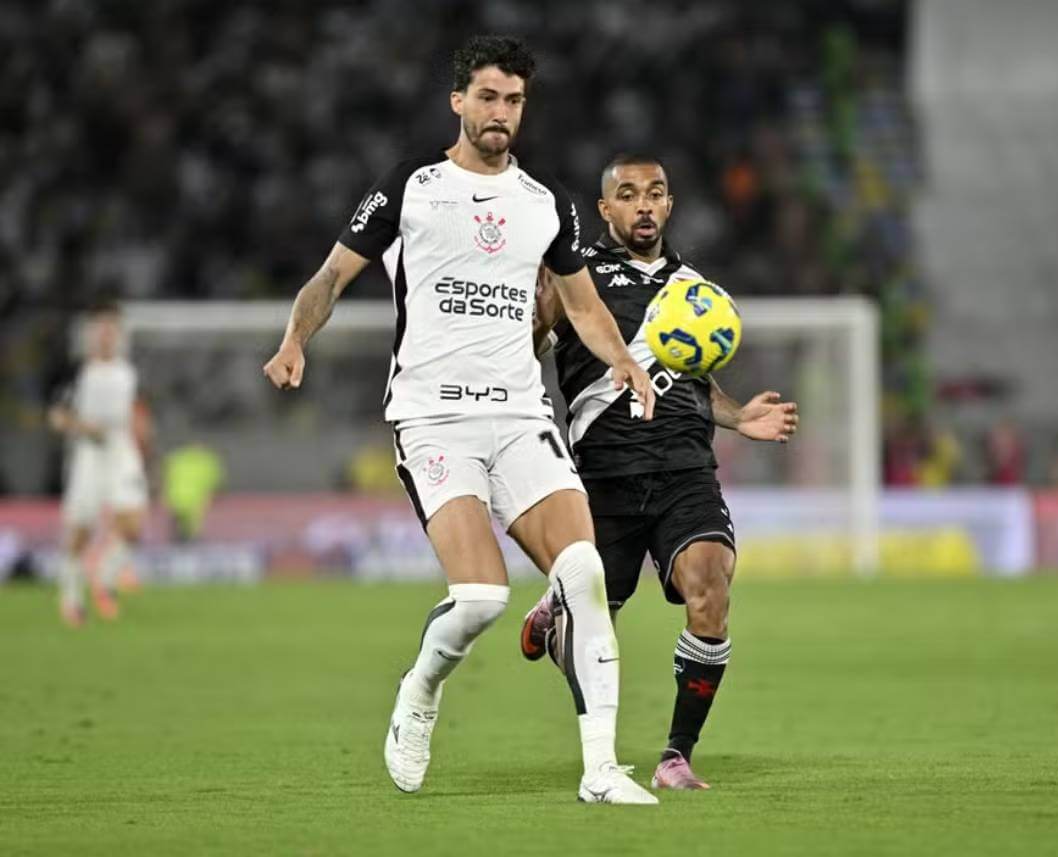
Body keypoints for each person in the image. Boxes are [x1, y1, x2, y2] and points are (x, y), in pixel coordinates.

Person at [262, 36, 658, 805]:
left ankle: (601, 769)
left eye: (513, 100)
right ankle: (419, 688)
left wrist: (625, 360)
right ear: (458, 101)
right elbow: (331, 275)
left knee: (583, 571)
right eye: (487, 97)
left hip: (519, 415)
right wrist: (294, 338)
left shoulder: (547, 204)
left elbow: (582, 306)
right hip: (433, 418)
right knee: (480, 598)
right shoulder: (411, 185)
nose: (500, 112)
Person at [519, 154, 798, 790]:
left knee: (711, 587)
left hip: (684, 471)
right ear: (605, 208)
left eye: (655, 193)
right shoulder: (572, 275)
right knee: (588, 633)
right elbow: (524, 349)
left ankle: (676, 755)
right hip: (604, 478)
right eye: (627, 194)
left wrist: (738, 417)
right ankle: (560, 613)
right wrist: (535, 314)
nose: (643, 204)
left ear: (669, 205)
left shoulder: (694, 288)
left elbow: (693, 381)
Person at [48, 302, 148, 626]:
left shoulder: (128, 372)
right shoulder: (76, 372)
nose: (106, 336)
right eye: (101, 330)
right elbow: (57, 417)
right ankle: (71, 599)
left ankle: (105, 578)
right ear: (90, 335)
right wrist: (83, 426)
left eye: (111, 331)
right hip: (88, 454)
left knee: (132, 526)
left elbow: (137, 412)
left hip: (120, 449)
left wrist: (143, 440)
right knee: (81, 531)